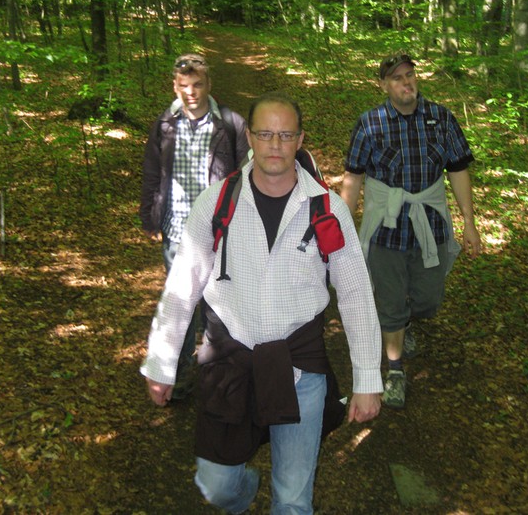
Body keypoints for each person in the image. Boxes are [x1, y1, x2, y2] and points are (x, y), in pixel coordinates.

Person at [142, 93, 383, 514]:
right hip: (229, 362)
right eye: (266, 134)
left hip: (300, 368)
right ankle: (244, 491)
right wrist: (161, 364)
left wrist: (367, 377)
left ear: (300, 139)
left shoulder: (327, 209)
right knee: (217, 486)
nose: (275, 144)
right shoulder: (217, 202)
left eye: (286, 135)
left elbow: (356, 294)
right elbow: (182, 287)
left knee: (293, 500)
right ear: (250, 137)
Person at [341, 53, 482, 409]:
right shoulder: (370, 123)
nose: (406, 82)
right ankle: (395, 370)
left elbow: (458, 169)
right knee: (390, 304)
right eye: (397, 78)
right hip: (386, 231)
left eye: (410, 75)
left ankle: (408, 322)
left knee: (429, 299)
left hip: (429, 227)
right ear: (383, 85)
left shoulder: (441, 118)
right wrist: (340, 225)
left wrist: (469, 222)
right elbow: (354, 177)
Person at [139, 54, 250, 398]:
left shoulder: (229, 123)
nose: (191, 92)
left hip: (219, 233)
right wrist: (149, 216)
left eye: (197, 84)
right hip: (176, 231)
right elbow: (153, 172)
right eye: (184, 85)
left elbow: (247, 174)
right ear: (175, 86)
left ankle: (220, 371)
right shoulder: (165, 124)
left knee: (218, 305)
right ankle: (180, 371)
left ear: (208, 85)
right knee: (180, 304)